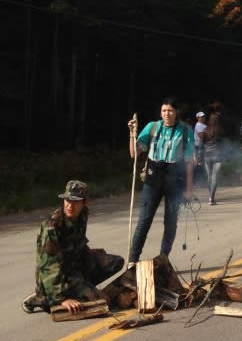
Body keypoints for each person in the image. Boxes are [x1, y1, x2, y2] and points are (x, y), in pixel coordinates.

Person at [22, 180, 124, 315]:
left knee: (116, 262)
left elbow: (76, 240)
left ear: (85, 202)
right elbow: (48, 267)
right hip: (60, 274)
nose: (70, 205)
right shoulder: (53, 226)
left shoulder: (82, 214)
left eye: (75, 201)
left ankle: (80, 289)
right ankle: (44, 297)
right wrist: (62, 300)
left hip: (73, 265)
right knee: (103, 301)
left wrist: (88, 251)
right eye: (67, 200)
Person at [126, 96, 195, 269]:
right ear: (160, 112)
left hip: (175, 180)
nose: (167, 114)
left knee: (170, 222)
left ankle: (163, 259)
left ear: (176, 112)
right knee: (144, 220)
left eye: (170, 110)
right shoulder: (152, 127)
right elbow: (135, 153)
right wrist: (132, 134)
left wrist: (188, 189)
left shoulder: (185, 131)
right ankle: (133, 260)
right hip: (153, 178)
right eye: (164, 110)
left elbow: (189, 162)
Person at [202, 112, 225, 205]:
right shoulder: (220, 130)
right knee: (215, 177)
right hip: (217, 155)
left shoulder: (205, 130)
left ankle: (210, 195)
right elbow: (223, 144)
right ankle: (211, 198)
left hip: (207, 155)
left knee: (209, 177)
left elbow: (202, 144)